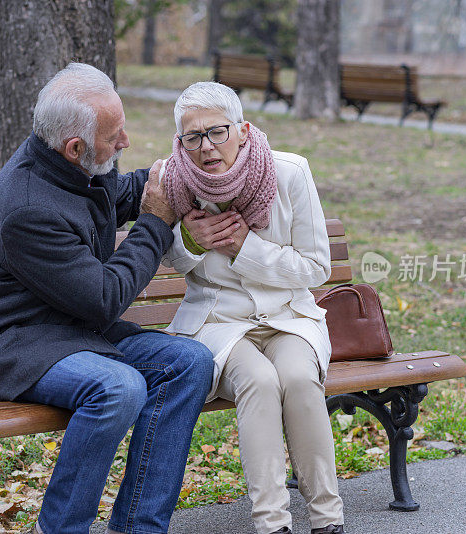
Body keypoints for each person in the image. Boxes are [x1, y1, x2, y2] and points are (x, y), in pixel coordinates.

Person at [0, 63, 214, 534]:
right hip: (15, 346)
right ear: (75, 148)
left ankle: (139, 526)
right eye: (114, 136)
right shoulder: (27, 207)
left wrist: (189, 172)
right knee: (118, 388)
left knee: (190, 362)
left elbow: (121, 193)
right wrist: (155, 224)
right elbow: (105, 298)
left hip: (73, 335)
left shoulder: (69, 167)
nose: (125, 142)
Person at [161, 82, 345, 534]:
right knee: (260, 382)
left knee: (300, 380)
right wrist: (190, 238)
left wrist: (247, 246)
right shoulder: (171, 180)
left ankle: (327, 520)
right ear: (180, 141)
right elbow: (169, 260)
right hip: (218, 322)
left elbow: (317, 267)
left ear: (242, 130)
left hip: (288, 317)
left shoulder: (289, 172)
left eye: (217, 132)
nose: (206, 147)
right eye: (193, 137)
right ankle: (272, 524)